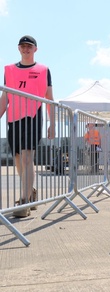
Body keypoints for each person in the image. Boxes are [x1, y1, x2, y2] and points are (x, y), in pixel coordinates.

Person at [0, 35, 56, 218]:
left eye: (29, 46)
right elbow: (5, 97)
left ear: (35, 49)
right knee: (18, 159)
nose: (26, 49)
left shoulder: (43, 69)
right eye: (23, 46)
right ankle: (30, 191)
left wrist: (52, 124)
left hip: (33, 116)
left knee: (26, 157)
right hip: (13, 119)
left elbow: (49, 98)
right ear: (18, 48)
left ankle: (23, 202)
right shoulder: (9, 69)